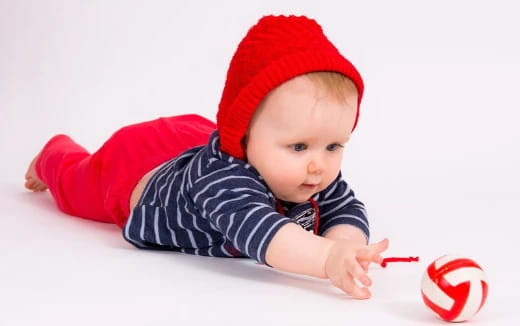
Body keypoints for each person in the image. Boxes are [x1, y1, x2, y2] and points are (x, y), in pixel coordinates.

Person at [25, 15, 389, 299]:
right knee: (77, 185)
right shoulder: (224, 182)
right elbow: (265, 233)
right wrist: (327, 259)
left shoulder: (310, 172)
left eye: (333, 146)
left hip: (194, 141)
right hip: (136, 168)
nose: (319, 164)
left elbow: (346, 208)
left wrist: (346, 246)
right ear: (244, 136)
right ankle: (54, 154)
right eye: (299, 147)